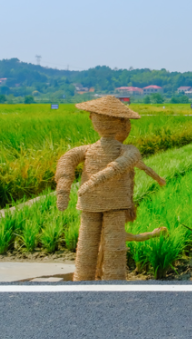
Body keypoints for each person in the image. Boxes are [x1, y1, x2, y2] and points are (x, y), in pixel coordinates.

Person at [55, 96, 165, 280]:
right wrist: (63, 188)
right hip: (99, 203)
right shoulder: (116, 149)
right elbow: (67, 161)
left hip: (106, 202)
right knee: (100, 245)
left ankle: (91, 281)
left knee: (98, 245)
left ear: (91, 119)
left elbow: (120, 165)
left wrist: (93, 181)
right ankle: (104, 282)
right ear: (123, 124)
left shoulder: (121, 150)